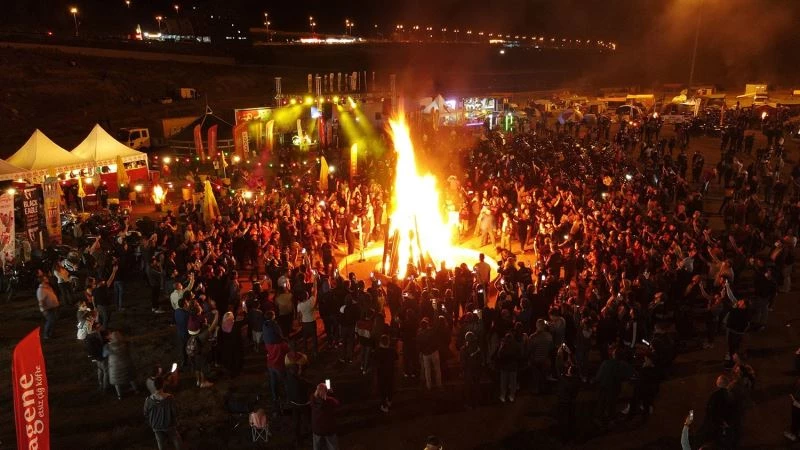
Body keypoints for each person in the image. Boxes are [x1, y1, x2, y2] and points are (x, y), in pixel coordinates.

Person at [143, 376, 183, 450]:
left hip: (156, 425)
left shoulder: (148, 400)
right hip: (169, 424)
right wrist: (176, 420)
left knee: (160, 442)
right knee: (175, 438)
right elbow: (175, 412)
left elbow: (145, 413)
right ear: (163, 385)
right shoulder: (170, 398)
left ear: (154, 386)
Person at [104, 331, 139, 400]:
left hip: (115, 367)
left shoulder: (107, 346)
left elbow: (104, 355)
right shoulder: (126, 344)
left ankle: (119, 395)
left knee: (117, 381)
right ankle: (136, 390)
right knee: (131, 377)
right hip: (126, 364)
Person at [186, 314, 217, 389]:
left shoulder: (191, 334)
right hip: (202, 354)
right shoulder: (202, 336)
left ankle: (198, 381)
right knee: (203, 367)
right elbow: (212, 327)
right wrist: (217, 315)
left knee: (197, 367)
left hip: (194, 354)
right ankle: (203, 382)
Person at [311, 383, 339, 450]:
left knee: (317, 446)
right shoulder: (330, 400)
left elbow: (315, 396)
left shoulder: (312, 399)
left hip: (317, 429)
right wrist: (331, 393)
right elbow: (337, 403)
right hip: (328, 429)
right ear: (326, 391)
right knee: (332, 446)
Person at [374, 334, 397, 412]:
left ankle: (384, 405)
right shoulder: (392, 351)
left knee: (383, 389)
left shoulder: (378, 351)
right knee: (390, 386)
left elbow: (374, 360)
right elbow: (396, 358)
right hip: (390, 372)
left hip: (381, 373)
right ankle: (389, 400)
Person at [417, 318, 442, 390]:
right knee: (437, 369)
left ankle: (429, 386)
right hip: (434, 352)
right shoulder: (431, 331)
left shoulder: (419, 334)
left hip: (425, 354)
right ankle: (439, 384)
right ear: (427, 325)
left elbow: (418, 345)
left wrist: (421, 352)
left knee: (427, 370)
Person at [460, 331, 483, 408]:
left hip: (468, 371)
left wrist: (462, 370)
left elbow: (463, 362)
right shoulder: (478, 348)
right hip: (476, 370)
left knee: (468, 388)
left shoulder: (463, 349)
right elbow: (480, 360)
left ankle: (468, 403)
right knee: (477, 386)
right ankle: (477, 402)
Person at [84, 322, 109, 392]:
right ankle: (105, 387)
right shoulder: (95, 336)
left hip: (95, 357)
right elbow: (100, 346)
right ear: (96, 328)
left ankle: (100, 383)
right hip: (100, 356)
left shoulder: (89, 336)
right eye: (99, 326)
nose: (101, 327)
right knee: (106, 371)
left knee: (100, 370)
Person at [297, 289, 319, 358]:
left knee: (305, 337)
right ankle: (315, 351)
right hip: (312, 322)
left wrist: (299, 322)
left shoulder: (299, 305)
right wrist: (315, 281)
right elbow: (315, 292)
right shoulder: (311, 301)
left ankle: (305, 351)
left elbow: (299, 315)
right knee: (314, 337)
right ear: (307, 296)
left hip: (305, 323)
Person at [37, 276, 59, 340]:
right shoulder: (41, 290)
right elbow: (41, 301)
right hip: (48, 309)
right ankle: (46, 335)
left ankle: (51, 333)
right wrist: (43, 310)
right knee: (50, 321)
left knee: (53, 321)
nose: (47, 279)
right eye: (45, 278)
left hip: (53, 307)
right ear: (42, 281)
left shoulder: (48, 287)